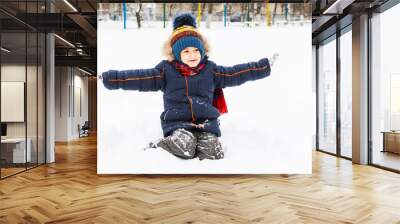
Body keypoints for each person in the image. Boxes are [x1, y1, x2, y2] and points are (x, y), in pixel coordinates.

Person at [101, 13, 272, 160]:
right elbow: (138, 78)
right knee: (185, 147)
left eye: (196, 50)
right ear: (176, 54)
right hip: (177, 124)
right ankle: (160, 147)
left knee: (212, 152)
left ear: (203, 51)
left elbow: (237, 73)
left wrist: (262, 67)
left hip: (206, 124)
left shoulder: (211, 70)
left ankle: (202, 144)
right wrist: (111, 79)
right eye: (186, 51)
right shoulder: (165, 71)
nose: (192, 55)